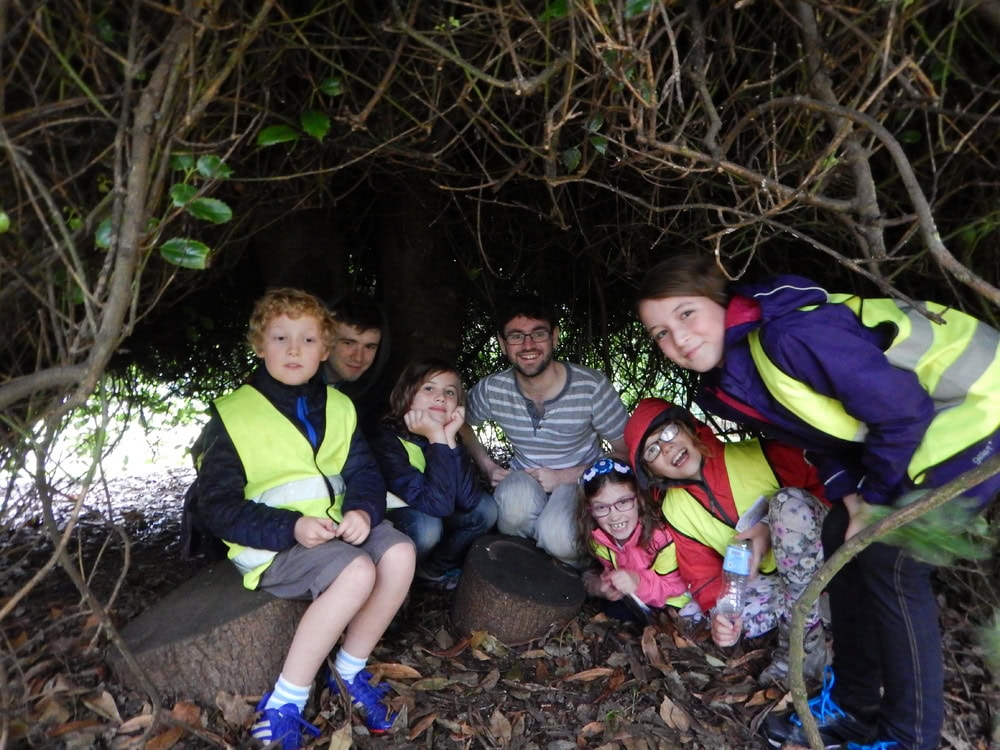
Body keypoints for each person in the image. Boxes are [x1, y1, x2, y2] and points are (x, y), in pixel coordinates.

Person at [636, 254, 1000, 750]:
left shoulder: (788, 337)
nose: (676, 339)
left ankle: (909, 737)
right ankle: (853, 705)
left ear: (722, 302)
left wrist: (873, 502)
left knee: (891, 558)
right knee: (838, 534)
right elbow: (822, 439)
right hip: (932, 424)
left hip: (977, 405)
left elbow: (902, 410)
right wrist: (852, 501)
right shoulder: (737, 379)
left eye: (686, 314)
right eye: (659, 332)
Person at [190, 287, 415, 747]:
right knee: (356, 572)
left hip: (334, 530)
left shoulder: (340, 406)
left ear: (324, 349)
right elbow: (216, 505)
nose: (294, 350)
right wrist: (289, 526)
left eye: (308, 340)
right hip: (273, 545)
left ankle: (348, 673)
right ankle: (285, 702)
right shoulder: (233, 416)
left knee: (400, 553)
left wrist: (363, 510)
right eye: (280, 338)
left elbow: (363, 473)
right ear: (259, 345)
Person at [624, 397, 830, 686]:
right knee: (729, 618)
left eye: (669, 432)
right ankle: (820, 610)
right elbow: (704, 575)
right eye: (653, 450)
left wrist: (769, 527)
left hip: (827, 559)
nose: (667, 447)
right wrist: (723, 614)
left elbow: (830, 487)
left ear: (689, 428)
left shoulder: (758, 456)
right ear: (652, 472)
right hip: (775, 583)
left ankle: (802, 649)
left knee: (789, 505)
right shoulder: (676, 509)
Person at [461, 292, 629, 566]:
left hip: (579, 480)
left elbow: (625, 451)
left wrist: (566, 475)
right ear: (503, 344)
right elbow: (461, 421)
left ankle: (566, 572)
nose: (528, 345)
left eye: (538, 334)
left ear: (555, 336)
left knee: (560, 538)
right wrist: (488, 467)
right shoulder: (493, 389)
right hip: (523, 478)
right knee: (512, 509)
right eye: (516, 336)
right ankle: (526, 566)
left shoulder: (591, 386)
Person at [370, 358, 498, 590]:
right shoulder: (388, 441)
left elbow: (469, 500)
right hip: (399, 522)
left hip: (435, 507)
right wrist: (437, 439)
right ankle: (396, 585)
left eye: (450, 392)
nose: (441, 397)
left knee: (485, 510)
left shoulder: (446, 435)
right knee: (428, 527)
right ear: (407, 395)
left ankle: (432, 572)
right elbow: (436, 505)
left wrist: (447, 439)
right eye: (429, 388)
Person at [575, 456, 691, 616]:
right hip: (635, 599)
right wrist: (607, 586)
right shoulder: (599, 540)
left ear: (639, 499)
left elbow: (675, 588)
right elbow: (608, 571)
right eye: (601, 507)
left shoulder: (660, 539)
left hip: (673, 604)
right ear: (590, 510)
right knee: (612, 610)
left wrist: (637, 583)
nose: (614, 516)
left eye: (623, 502)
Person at [324, 292, 391, 433]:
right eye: (348, 343)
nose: (359, 358)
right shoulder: (292, 387)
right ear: (325, 339)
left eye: (369, 347)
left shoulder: (378, 404)